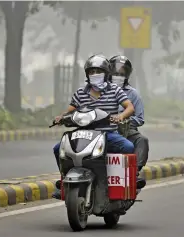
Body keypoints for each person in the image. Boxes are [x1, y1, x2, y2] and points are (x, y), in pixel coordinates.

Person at [51, 54, 135, 199]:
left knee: (128, 147)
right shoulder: (80, 93)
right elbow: (70, 110)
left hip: (107, 134)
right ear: (87, 74)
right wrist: (61, 117)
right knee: (58, 149)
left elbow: (129, 107)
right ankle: (65, 184)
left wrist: (120, 116)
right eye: (91, 72)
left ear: (106, 73)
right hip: (83, 134)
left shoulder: (114, 90)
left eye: (98, 71)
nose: (94, 74)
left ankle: (126, 183)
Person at [109, 55, 148, 190]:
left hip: (124, 130)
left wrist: (124, 120)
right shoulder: (98, 90)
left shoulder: (133, 94)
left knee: (142, 140)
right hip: (100, 128)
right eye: (115, 73)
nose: (117, 76)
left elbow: (139, 118)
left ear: (127, 75)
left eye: (121, 73)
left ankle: (133, 173)